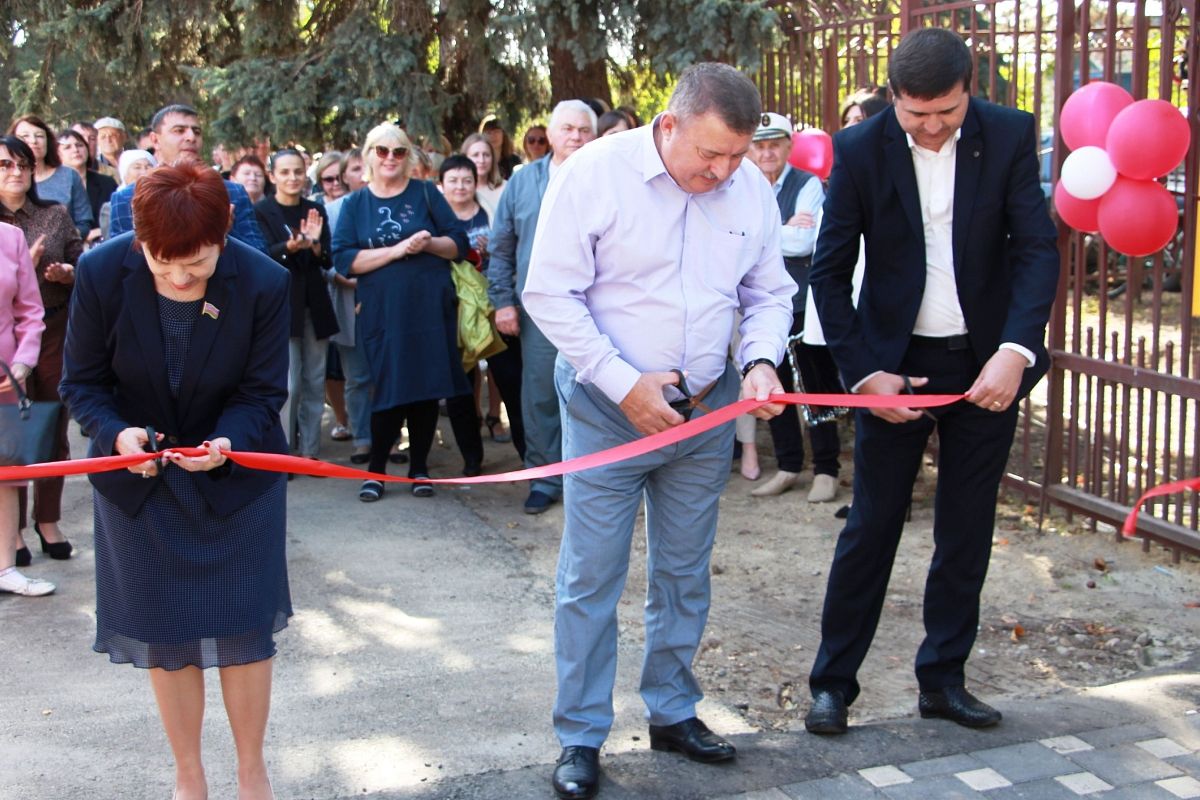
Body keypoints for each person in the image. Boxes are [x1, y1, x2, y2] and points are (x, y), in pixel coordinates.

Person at [523, 63, 795, 799]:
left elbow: (768, 291)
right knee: (591, 578)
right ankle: (581, 735)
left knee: (683, 572)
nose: (725, 170)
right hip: (607, 413)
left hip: (707, 412)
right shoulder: (594, 175)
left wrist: (763, 361)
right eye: (711, 154)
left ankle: (673, 711)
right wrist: (623, 383)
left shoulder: (749, 190)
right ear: (667, 126)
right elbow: (549, 289)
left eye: (738, 156)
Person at [804, 28, 1059, 736]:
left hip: (985, 361)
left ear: (969, 89)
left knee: (966, 528)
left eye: (946, 111)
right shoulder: (858, 150)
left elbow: (1037, 249)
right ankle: (832, 684)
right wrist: (862, 374)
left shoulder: (1008, 135)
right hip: (894, 365)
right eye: (917, 115)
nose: (933, 127)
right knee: (872, 524)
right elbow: (828, 273)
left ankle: (943, 680)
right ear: (893, 99)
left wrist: (1016, 350)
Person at [60, 162, 291, 800]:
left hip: (236, 486)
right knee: (167, 631)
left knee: (244, 629)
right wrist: (115, 435)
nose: (182, 277)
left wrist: (230, 443)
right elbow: (82, 384)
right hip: (142, 487)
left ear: (223, 236)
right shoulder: (102, 273)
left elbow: (263, 390)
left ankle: (252, 772)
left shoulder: (265, 281)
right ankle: (189, 778)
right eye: (164, 265)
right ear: (138, 243)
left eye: (197, 262)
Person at [331, 123, 470, 501]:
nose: (390, 158)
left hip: (428, 308)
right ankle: (376, 470)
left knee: (426, 389)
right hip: (382, 312)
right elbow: (344, 260)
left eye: (399, 151)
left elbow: (457, 243)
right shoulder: (356, 204)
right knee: (389, 388)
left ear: (409, 157)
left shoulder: (425, 193)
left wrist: (427, 244)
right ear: (368, 156)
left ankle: (419, 469)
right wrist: (398, 250)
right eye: (382, 151)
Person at [487, 99, 596, 515]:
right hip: (540, 312)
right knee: (540, 397)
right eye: (567, 128)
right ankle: (545, 478)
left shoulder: (606, 179)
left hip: (598, 307)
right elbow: (502, 246)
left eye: (584, 129)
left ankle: (594, 479)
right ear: (549, 135)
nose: (575, 136)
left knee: (601, 393)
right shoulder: (522, 182)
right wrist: (503, 302)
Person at [743, 113, 840, 503]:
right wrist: (783, 228)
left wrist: (756, 234)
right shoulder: (741, 184)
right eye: (759, 145)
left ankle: (827, 470)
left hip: (801, 304)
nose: (766, 152)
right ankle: (788, 465)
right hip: (756, 304)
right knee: (772, 385)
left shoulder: (808, 184)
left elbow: (804, 244)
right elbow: (730, 235)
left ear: (787, 146)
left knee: (817, 385)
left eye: (774, 144)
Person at [0, 134, 82, 566]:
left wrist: (68, 271)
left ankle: (47, 519)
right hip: (2, 336)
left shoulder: (53, 213)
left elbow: (80, 258)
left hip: (50, 326)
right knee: (8, 434)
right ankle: (8, 532)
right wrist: (22, 269)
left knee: (51, 423)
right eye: (4, 165)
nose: (15, 173)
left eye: (22, 165)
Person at [438, 153, 525, 464]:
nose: (460, 187)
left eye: (467, 180)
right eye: (453, 181)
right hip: (454, 312)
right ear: (442, 184)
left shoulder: (492, 212)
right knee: (461, 388)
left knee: (511, 381)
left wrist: (494, 249)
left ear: (476, 183)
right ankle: (472, 459)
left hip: (494, 306)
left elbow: (511, 250)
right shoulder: (435, 218)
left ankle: (528, 454)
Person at [255, 149, 337, 466]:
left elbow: (327, 258)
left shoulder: (315, 208)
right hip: (281, 306)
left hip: (315, 304)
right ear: (273, 175)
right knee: (288, 383)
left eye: (298, 172)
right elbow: (261, 255)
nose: (292, 178)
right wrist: (289, 248)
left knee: (315, 381)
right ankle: (283, 452)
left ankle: (310, 452)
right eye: (285, 172)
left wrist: (314, 244)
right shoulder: (262, 211)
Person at [108, 104, 268, 254]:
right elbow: (122, 261)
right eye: (179, 131)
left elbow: (259, 255)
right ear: (155, 140)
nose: (191, 137)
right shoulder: (128, 197)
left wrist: (222, 236)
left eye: (196, 131)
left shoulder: (232, 192)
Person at [0, 220, 48, 596]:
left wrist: (23, 362)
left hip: (6, 377)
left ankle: (5, 568)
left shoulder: (10, 236)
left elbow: (30, 312)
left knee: (5, 473)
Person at [323, 148, 372, 463]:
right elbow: (326, 262)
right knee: (357, 376)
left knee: (387, 375)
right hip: (348, 302)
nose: (363, 174)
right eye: (356, 168)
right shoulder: (333, 211)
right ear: (344, 176)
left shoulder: (387, 207)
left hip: (385, 304)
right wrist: (348, 279)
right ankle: (363, 438)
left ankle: (390, 438)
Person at [9, 115, 93, 239]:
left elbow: (84, 222)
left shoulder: (69, 176)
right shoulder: (8, 179)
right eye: (25, 136)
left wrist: (61, 241)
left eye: (39, 136)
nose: (33, 141)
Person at [57, 128, 117, 246]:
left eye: (79, 145)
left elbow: (116, 215)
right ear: (57, 155)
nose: (75, 150)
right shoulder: (52, 186)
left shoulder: (106, 182)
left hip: (105, 244)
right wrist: (83, 234)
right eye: (67, 147)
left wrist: (101, 231)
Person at [461, 133, 505, 220]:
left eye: (486, 155)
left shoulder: (506, 188)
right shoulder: (457, 191)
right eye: (475, 155)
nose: (481, 160)